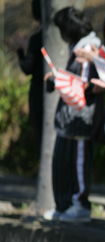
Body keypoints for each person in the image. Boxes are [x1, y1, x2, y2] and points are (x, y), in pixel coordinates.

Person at [42, 7, 102, 223]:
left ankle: (79, 205)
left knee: (77, 162)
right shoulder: (77, 46)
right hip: (69, 118)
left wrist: (59, 80)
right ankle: (64, 204)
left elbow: (84, 84)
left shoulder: (89, 47)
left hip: (81, 117)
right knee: (62, 162)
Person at [6, 0, 44, 152]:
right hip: (54, 90)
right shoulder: (52, 38)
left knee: (40, 131)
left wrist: (21, 50)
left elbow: (27, 68)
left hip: (39, 91)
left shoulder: (37, 39)